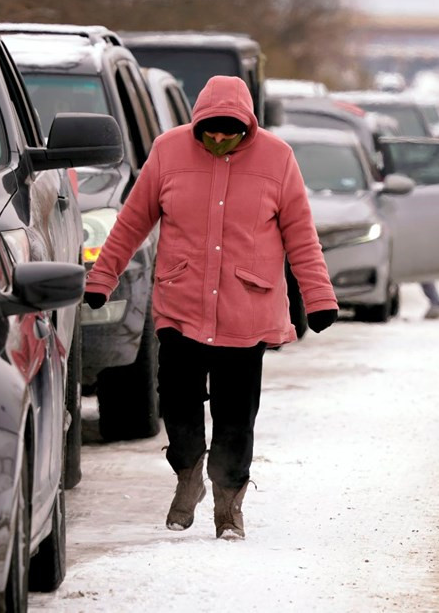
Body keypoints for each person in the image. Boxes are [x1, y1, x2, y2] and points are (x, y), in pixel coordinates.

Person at [83, 75, 338, 539]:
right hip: (181, 306)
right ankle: (187, 478)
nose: (219, 139)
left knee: (236, 416)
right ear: (197, 123)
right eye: (211, 130)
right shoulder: (168, 151)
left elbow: (301, 235)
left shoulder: (277, 159)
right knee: (178, 407)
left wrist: (318, 298)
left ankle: (228, 505)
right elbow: (130, 223)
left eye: (230, 131)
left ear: (247, 126)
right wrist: (102, 277)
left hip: (247, 311)